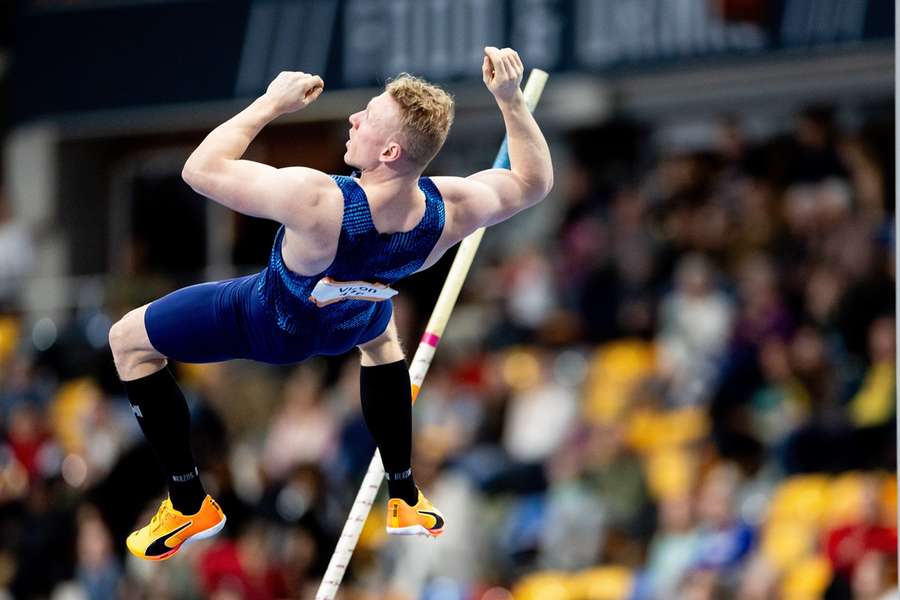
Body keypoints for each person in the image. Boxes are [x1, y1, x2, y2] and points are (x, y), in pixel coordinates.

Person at [108, 46, 553, 561]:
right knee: (382, 338)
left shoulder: (317, 199)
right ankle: (404, 494)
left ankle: (187, 500)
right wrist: (510, 100)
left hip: (272, 323)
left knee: (127, 341)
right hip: (351, 321)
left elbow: (200, 169)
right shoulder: (449, 211)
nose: (354, 117)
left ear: (389, 152)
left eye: (367, 119)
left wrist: (270, 103)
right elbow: (532, 182)